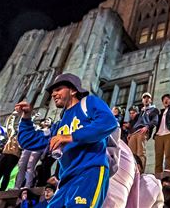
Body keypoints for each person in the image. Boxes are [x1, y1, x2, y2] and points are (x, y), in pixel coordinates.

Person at [15, 73, 118, 208]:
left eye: (58, 89)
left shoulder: (89, 103)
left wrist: (71, 136)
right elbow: (28, 141)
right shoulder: (58, 126)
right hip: (66, 180)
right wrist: (26, 117)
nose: (53, 94)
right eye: (52, 91)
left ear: (73, 90)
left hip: (90, 172)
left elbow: (108, 122)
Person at [127, 92, 159, 170]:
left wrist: (147, 127)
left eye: (148, 98)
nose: (146, 99)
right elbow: (134, 122)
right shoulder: (140, 112)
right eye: (144, 98)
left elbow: (155, 121)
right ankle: (131, 171)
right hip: (134, 133)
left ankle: (140, 171)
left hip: (142, 131)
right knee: (131, 154)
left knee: (140, 152)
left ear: (150, 100)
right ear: (142, 101)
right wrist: (130, 133)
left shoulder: (153, 110)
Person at [154, 94, 170, 174]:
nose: (165, 100)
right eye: (164, 99)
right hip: (159, 135)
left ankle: (169, 170)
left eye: (167, 99)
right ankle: (158, 173)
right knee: (158, 156)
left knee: (168, 153)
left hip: (169, 134)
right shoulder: (161, 112)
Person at [0, 113, 21, 191]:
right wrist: (13, 115)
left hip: (14, 155)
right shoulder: (12, 134)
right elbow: (9, 125)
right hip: (5, 153)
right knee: (0, 170)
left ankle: (2, 189)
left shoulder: (23, 138)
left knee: (7, 172)